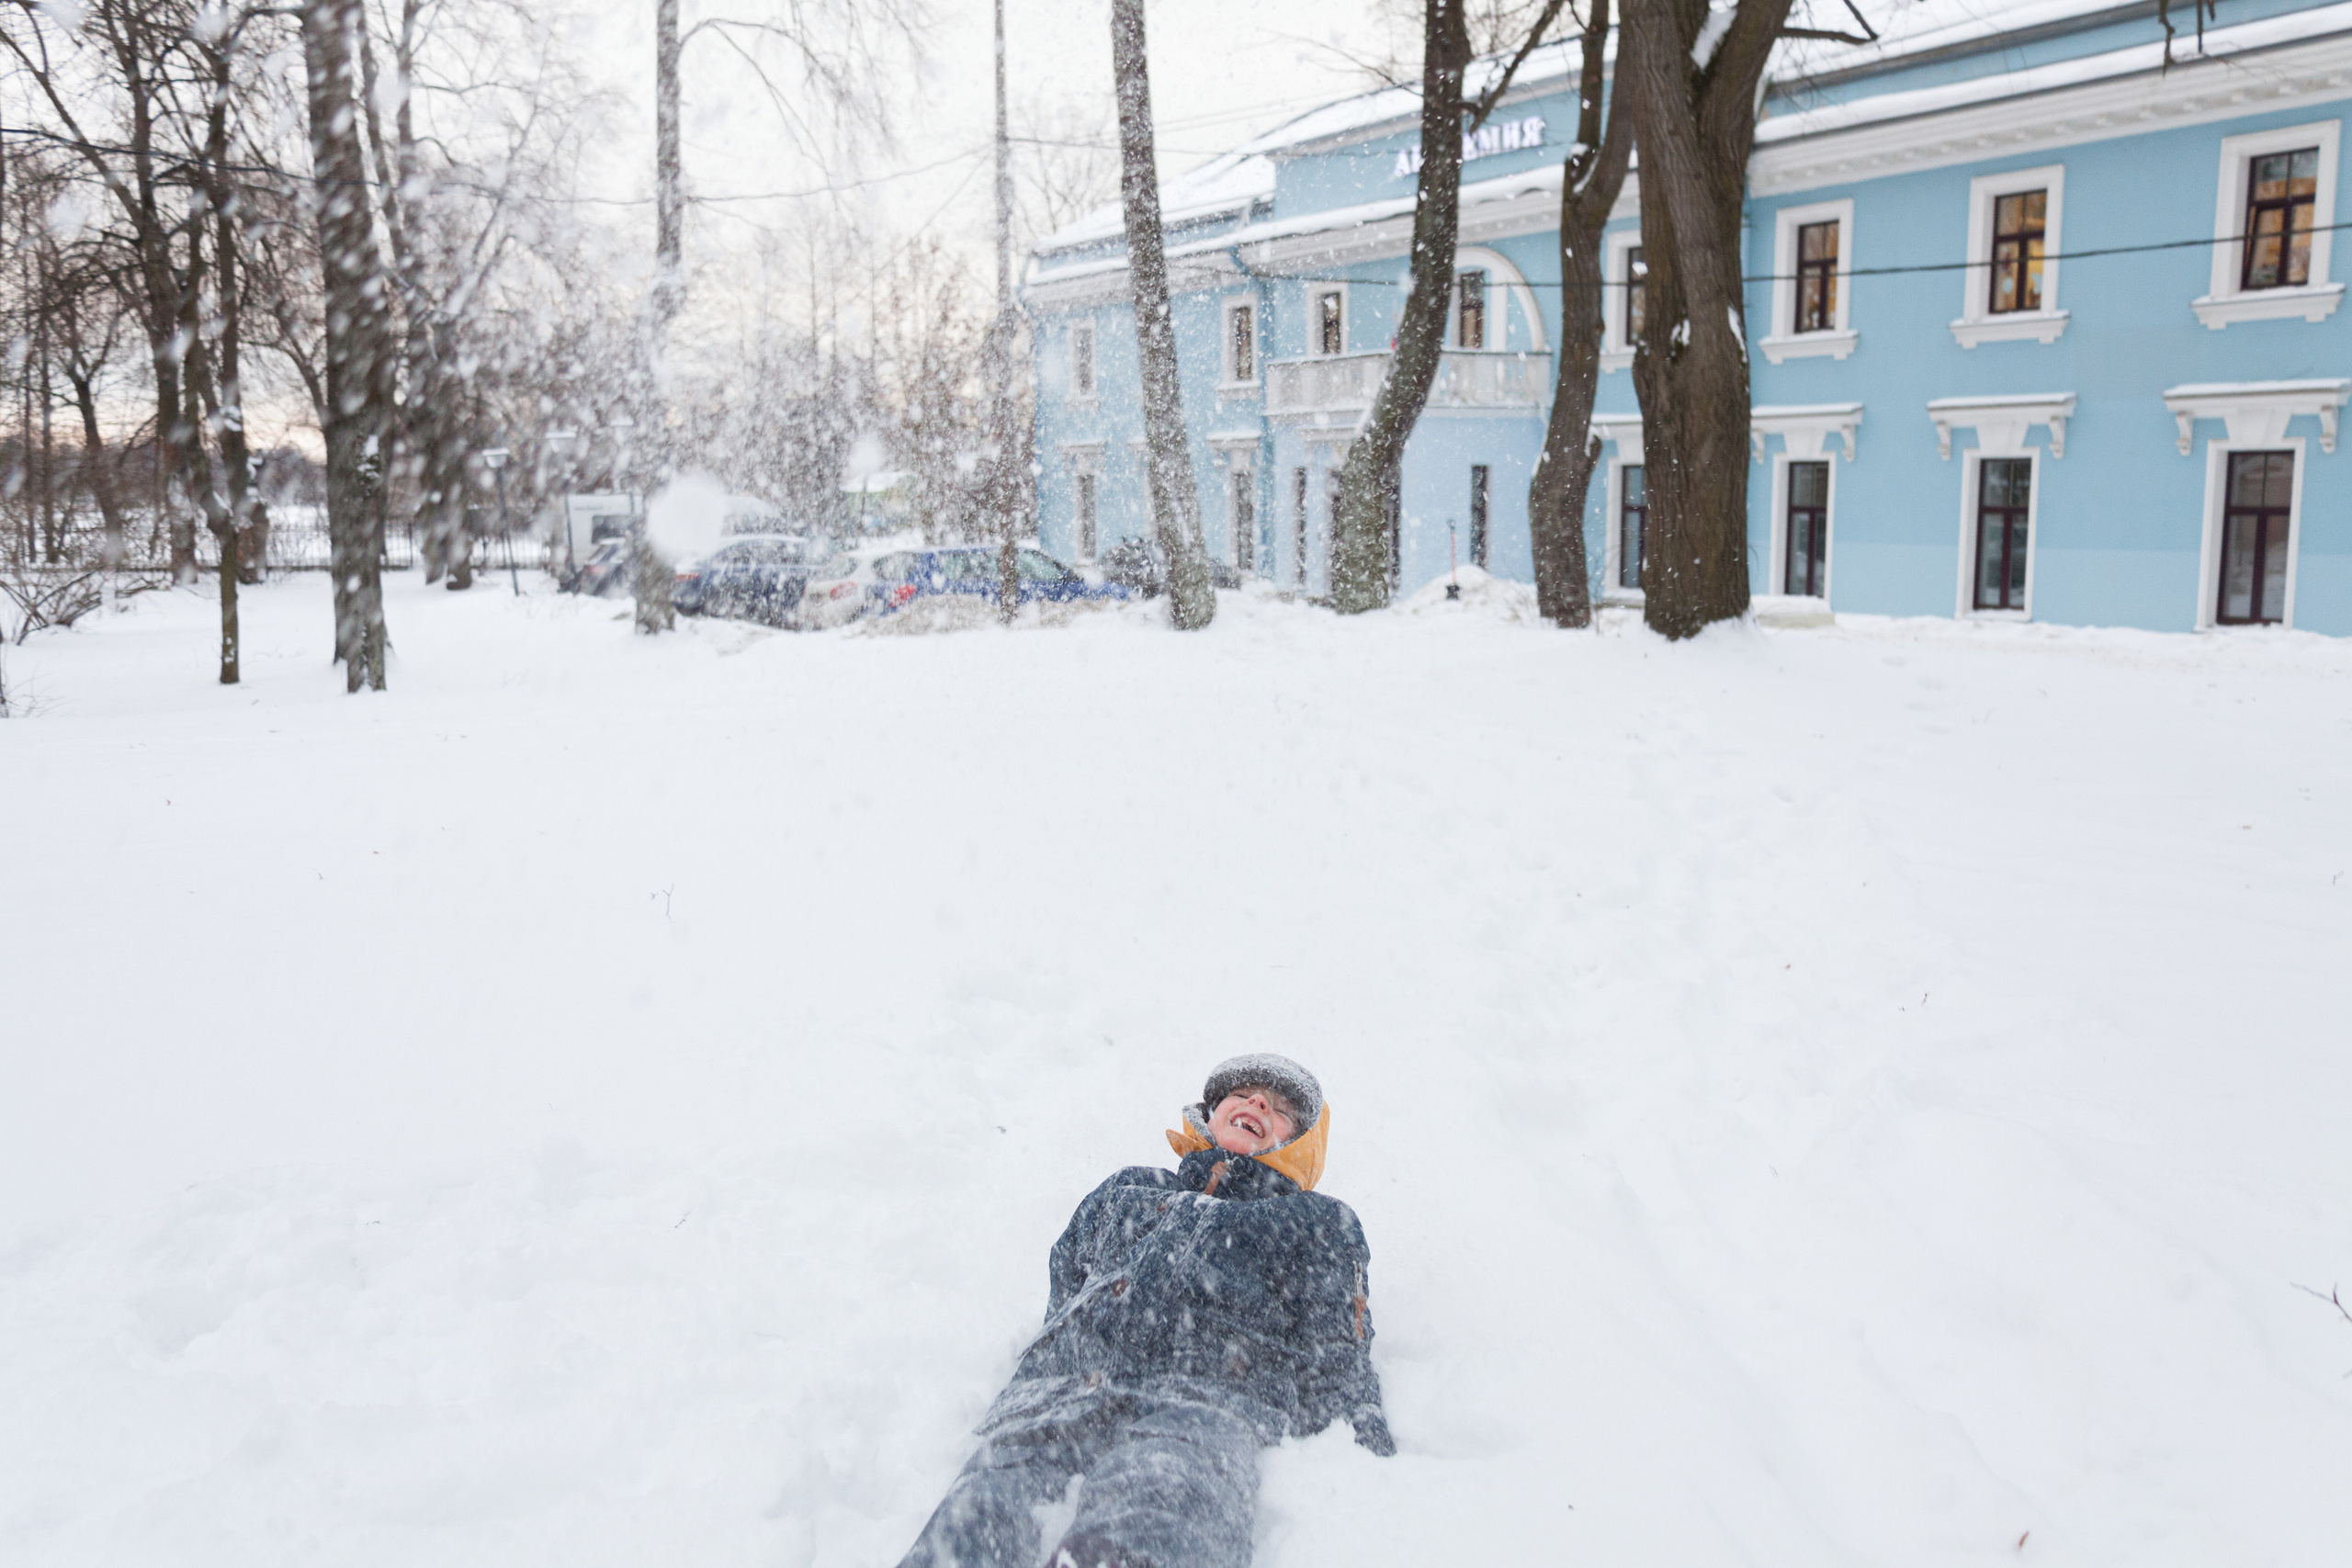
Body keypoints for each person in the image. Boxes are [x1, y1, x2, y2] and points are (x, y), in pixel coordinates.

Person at [898, 1053, 1394, 1568]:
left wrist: (1363, 1447)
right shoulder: (1131, 1188)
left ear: (1301, 1145)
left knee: (1165, 1501)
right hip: (1065, 1391)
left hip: (1204, 1401)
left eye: (1281, 1107)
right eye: (1240, 1094)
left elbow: (1337, 1347)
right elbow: (1069, 1278)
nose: (1258, 1102)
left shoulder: (1314, 1220)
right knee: (984, 1508)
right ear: (1207, 1114)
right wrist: (1053, 1362)